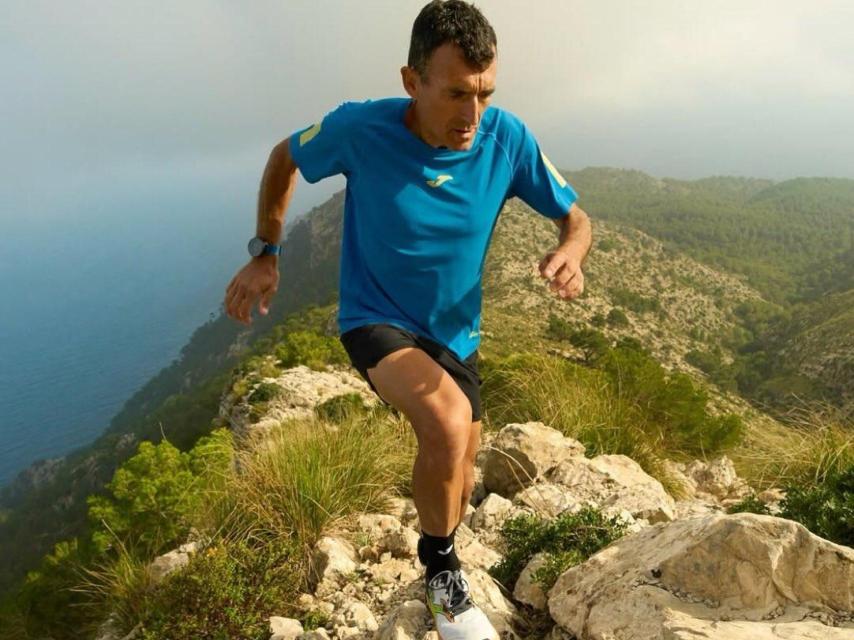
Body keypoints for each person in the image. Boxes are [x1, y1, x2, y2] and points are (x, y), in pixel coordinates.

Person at [224, 1, 592, 637]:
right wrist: (266, 251)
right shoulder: (360, 129)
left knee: (462, 461)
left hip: (456, 333)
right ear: (411, 81)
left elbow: (575, 216)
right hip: (374, 318)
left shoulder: (507, 138)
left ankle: (439, 542)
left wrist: (572, 250)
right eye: (455, 94)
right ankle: (443, 576)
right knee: (447, 425)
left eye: (484, 93)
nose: (471, 114)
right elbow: (284, 159)